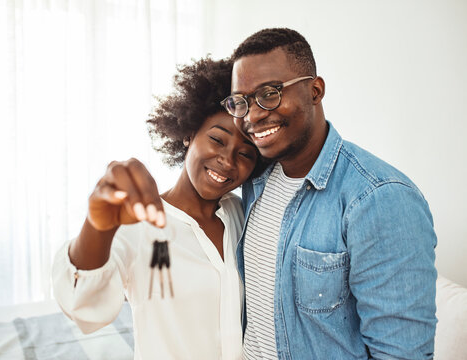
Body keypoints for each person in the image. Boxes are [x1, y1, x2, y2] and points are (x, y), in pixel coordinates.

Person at [220, 28, 437, 359]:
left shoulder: (379, 198)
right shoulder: (254, 179)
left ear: (315, 90)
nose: (253, 115)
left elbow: (401, 352)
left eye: (269, 93)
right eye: (242, 101)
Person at [52, 57, 261, 359]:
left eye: (246, 154)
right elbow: (82, 305)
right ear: (190, 134)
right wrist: (98, 225)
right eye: (217, 139)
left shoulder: (240, 214)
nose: (228, 161)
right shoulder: (141, 223)